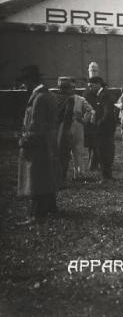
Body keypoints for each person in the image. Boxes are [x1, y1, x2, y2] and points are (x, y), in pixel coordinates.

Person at [17, 65, 60, 224]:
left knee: (36, 180)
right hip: (47, 143)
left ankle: (35, 215)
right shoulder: (48, 95)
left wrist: (23, 140)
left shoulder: (39, 98)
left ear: (30, 81)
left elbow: (36, 125)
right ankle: (50, 209)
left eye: (24, 82)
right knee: (46, 177)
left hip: (38, 145)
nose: (23, 86)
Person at [89, 76, 117, 182]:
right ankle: (107, 175)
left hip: (104, 129)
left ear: (98, 84)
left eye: (91, 86)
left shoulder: (104, 95)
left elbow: (107, 113)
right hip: (106, 128)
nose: (90, 88)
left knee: (104, 151)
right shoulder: (103, 94)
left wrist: (98, 123)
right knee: (105, 151)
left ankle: (106, 176)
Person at [55, 77, 76, 183]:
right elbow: (68, 115)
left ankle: (56, 178)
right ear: (68, 88)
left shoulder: (54, 97)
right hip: (64, 129)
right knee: (64, 154)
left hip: (54, 129)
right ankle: (62, 179)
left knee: (56, 155)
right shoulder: (70, 99)